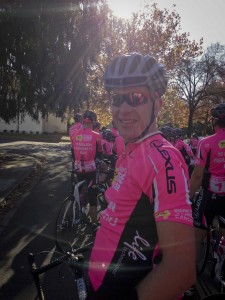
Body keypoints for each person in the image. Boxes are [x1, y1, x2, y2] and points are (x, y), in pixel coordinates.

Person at [87, 53, 196, 300]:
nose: (123, 109)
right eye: (117, 99)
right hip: (100, 280)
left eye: (136, 98)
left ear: (157, 103)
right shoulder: (132, 147)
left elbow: (181, 270)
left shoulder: (163, 159)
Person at [190, 103, 225, 267]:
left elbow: (197, 175)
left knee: (197, 237)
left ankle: (190, 284)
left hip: (209, 196)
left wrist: (188, 197)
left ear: (214, 121)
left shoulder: (206, 143)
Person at [71, 110, 102, 223]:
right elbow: (99, 153)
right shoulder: (97, 136)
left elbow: (73, 152)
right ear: (93, 121)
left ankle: (81, 211)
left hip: (78, 168)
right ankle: (94, 226)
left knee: (80, 192)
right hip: (91, 170)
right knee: (93, 200)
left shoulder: (74, 134)